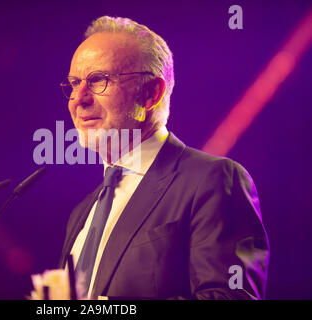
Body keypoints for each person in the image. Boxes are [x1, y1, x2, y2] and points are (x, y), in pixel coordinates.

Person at [58, 16, 269, 300]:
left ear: (151, 93)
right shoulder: (82, 212)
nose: (78, 98)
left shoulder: (212, 180)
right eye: (73, 83)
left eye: (98, 80)